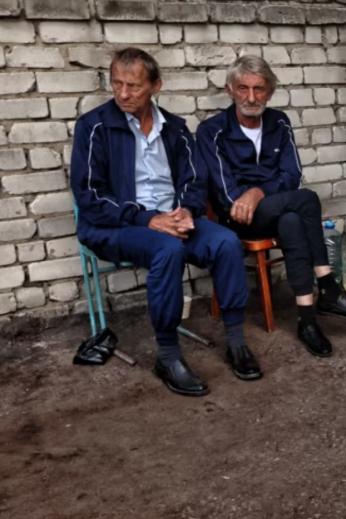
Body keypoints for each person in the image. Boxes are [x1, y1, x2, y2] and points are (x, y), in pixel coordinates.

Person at [69, 48, 260, 396]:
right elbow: (89, 196)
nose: (123, 94)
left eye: (134, 86)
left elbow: (194, 179)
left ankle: (236, 341)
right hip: (115, 226)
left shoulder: (174, 128)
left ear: (156, 86)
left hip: (171, 219)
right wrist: (147, 218)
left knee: (226, 242)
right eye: (116, 84)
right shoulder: (94, 127)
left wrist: (187, 209)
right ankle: (168, 355)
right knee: (168, 249)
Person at [197, 56, 346, 358]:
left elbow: (291, 175)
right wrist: (254, 195)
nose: (251, 97)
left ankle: (307, 321)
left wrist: (257, 192)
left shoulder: (279, 121)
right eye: (243, 88)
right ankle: (328, 288)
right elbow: (228, 196)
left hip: (275, 210)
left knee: (293, 219)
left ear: (269, 91)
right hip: (237, 219)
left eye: (259, 89)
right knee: (306, 200)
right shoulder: (211, 131)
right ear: (230, 90)